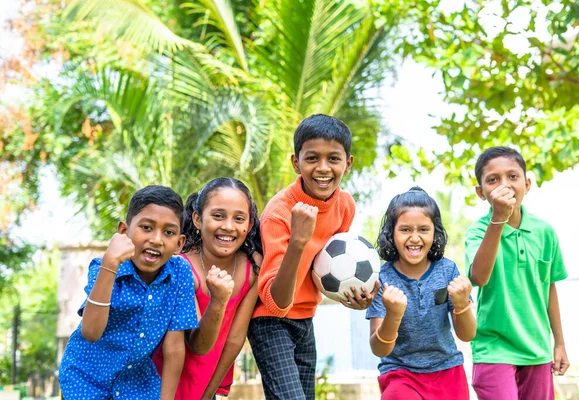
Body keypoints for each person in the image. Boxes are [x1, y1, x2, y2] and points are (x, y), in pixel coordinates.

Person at [247, 114, 381, 400]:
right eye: (312, 158)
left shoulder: (345, 205)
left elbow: (328, 270)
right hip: (270, 322)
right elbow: (275, 302)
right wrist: (298, 241)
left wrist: (355, 297)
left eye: (333, 158)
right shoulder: (279, 213)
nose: (323, 168)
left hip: (306, 319)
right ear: (296, 162)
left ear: (348, 163)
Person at [58, 185, 198, 400]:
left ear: (179, 244)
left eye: (168, 232)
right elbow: (91, 332)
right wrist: (110, 263)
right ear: (124, 231)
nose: (157, 239)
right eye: (146, 227)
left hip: (137, 387)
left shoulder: (180, 273)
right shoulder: (103, 267)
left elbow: (174, 347)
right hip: (85, 381)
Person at [465, 146, 569, 400]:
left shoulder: (545, 231)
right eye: (493, 180)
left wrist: (559, 343)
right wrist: (498, 219)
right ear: (481, 192)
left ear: (527, 183)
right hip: (493, 349)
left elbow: (549, 288)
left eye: (513, 176)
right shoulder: (477, 232)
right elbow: (479, 278)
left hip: (537, 350)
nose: (505, 185)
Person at [153, 178, 262, 400]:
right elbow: (196, 343)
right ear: (197, 219)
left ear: (249, 225)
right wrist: (218, 300)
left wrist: (209, 392)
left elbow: (234, 339)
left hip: (206, 382)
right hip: (162, 381)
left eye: (238, 218)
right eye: (218, 216)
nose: (228, 226)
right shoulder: (181, 266)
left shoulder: (252, 269)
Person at [366, 187, 476, 400]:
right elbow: (379, 349)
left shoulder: (447, 270)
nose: (415, 238)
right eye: (405, 229)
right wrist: (393, 315)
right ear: (391, 233)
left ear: (435, 232)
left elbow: (468, 334)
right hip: (401, 374)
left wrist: (462, 306)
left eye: (423, 229)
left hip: (448, 372)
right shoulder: (381, 278)